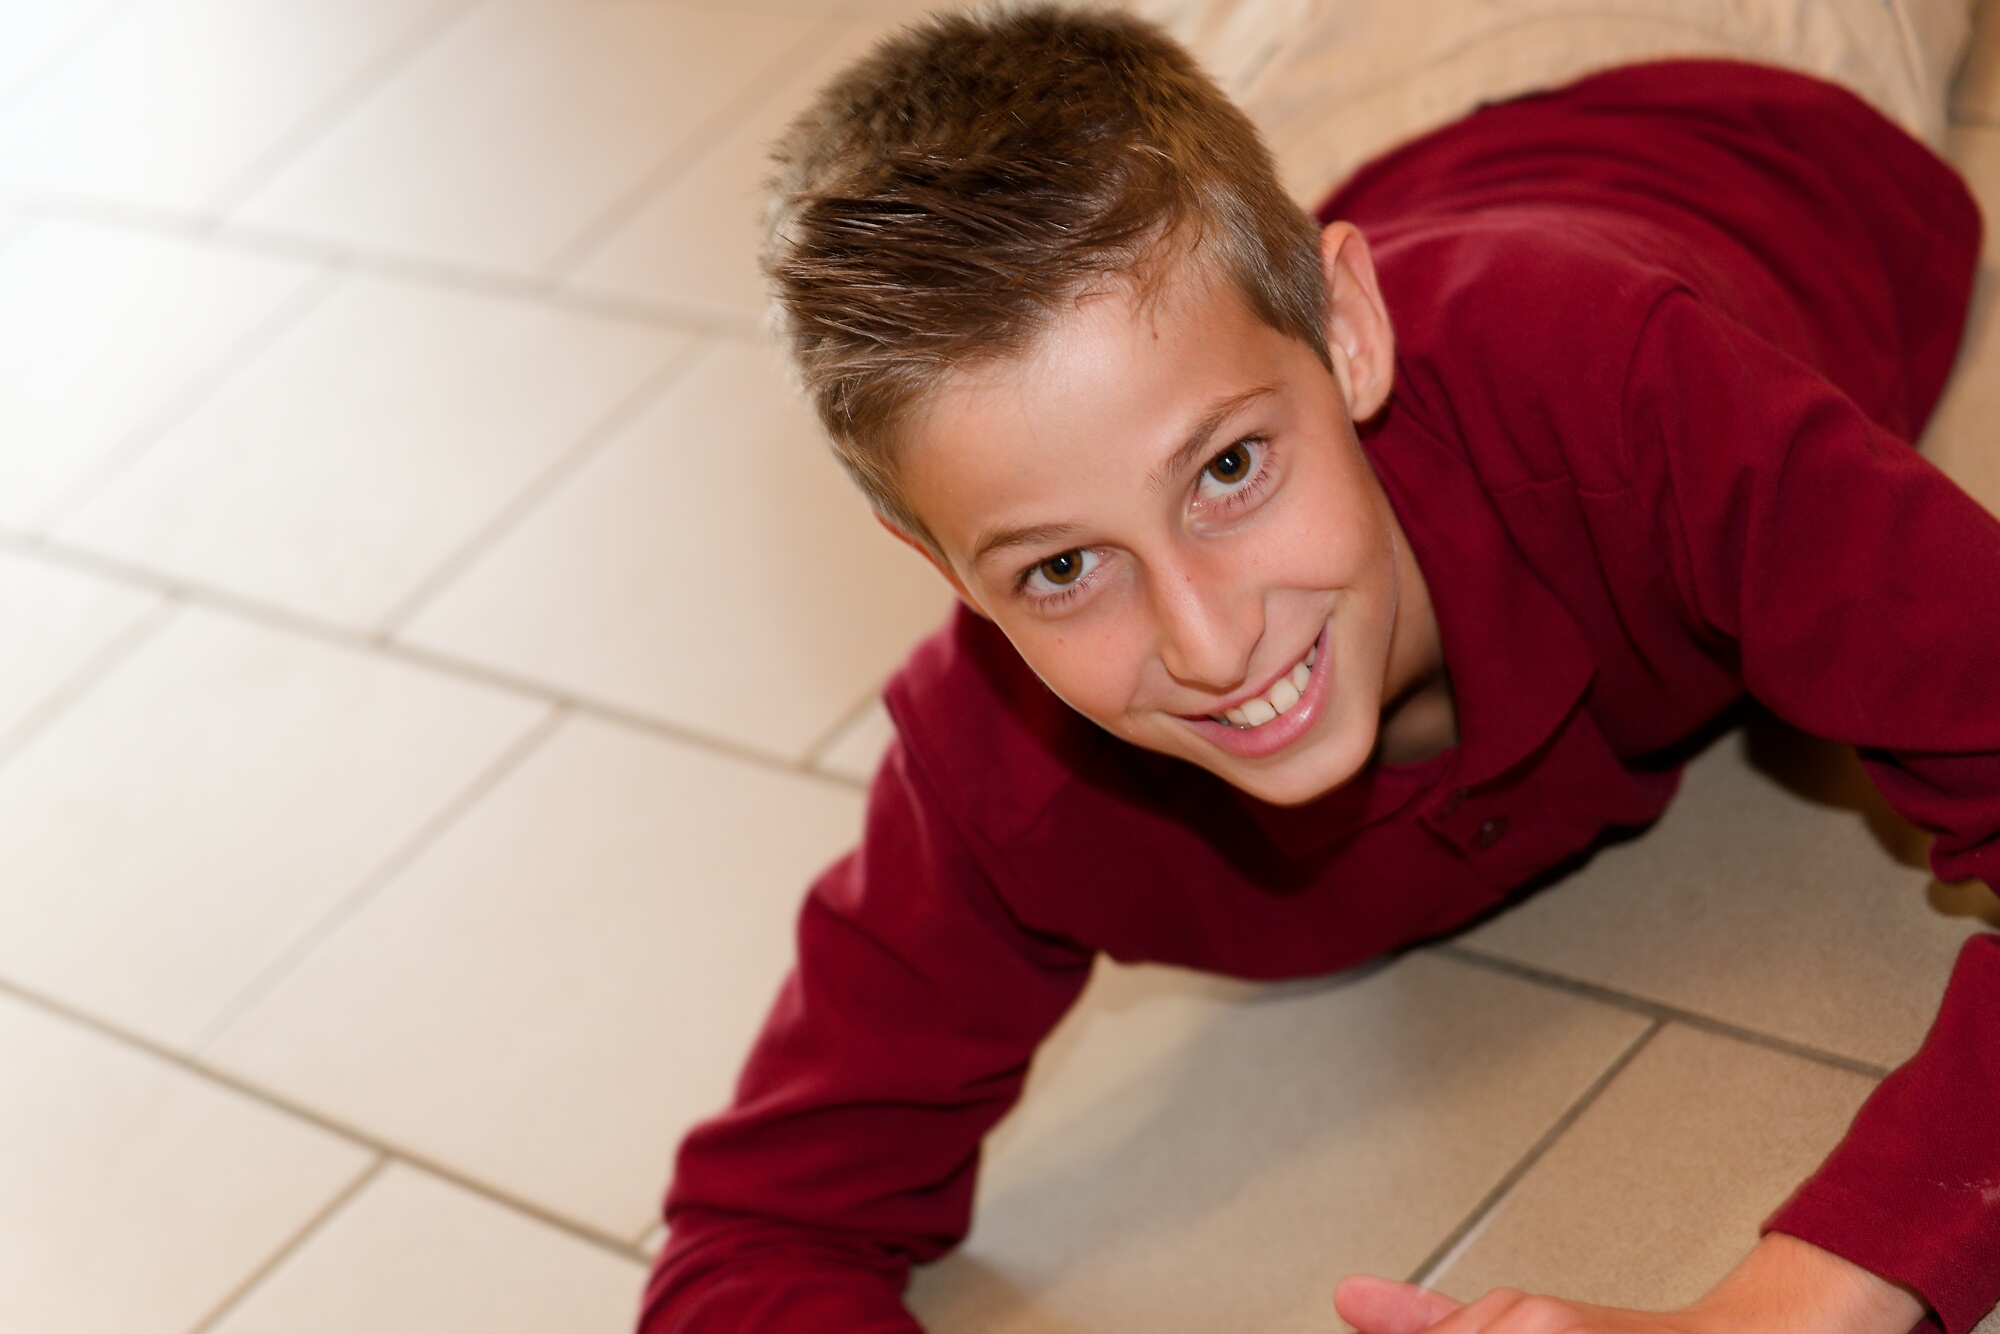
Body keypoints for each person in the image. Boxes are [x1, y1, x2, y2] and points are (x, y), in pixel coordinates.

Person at [639, 7, 2000, 1332]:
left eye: (1229, 468)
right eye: (1060, 567)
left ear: (1350, 336)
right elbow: (749, 1241)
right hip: (1315, 136)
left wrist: (1802, 1306)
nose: (1210, 641)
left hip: (1703, 55)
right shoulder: (1005, 772)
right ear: (947, 574)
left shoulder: (1626, 396)